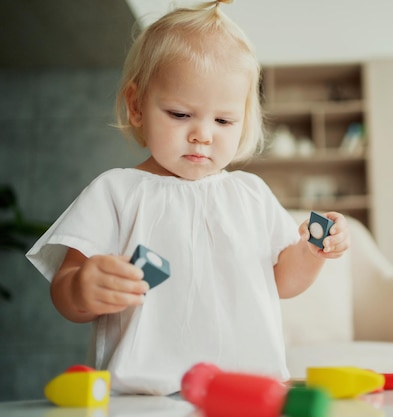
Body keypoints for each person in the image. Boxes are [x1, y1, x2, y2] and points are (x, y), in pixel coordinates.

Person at [26, 0, 350, 396]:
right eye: (180, 114)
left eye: (223, 120)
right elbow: (65, 289)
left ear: (243, 120)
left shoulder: (251, 195)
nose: (202, 134)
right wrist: (81, 288)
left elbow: (283, 281)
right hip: (144, 396)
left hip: (247, 388)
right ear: (137, 106)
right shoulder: (116, 191)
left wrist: (312, 251)